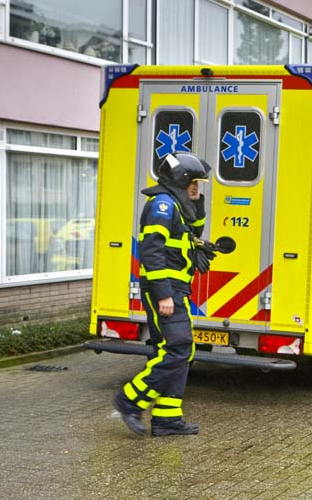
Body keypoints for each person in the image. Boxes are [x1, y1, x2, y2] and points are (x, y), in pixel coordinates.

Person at [113, 152, 212, 437]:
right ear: (181, 180)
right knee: (178, 349)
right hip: (165, 291)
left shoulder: (177, 205)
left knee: (176, 351)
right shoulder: (162, 206)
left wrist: (198, 204)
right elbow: (151, 252)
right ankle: (130, 400)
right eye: (194, 183)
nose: (197, 188)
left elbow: (193, 231)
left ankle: (168, 418)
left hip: (176, 289)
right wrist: (164, 295)